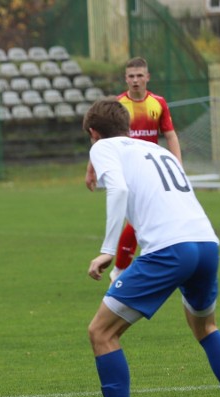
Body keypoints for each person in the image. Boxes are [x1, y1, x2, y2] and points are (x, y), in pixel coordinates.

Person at [79, 97, 220, 397]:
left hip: (169, 249)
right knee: (206, 327)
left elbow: (119, 189)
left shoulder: (103, 147)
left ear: (93, 133)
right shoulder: (155, 150)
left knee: (101, 332)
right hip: (206, 243)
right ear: (128, 127)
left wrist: (108, 249)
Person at [85, 57, 182, 282]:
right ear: (125, 79)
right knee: (139, 220)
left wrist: (177, 165)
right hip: (125, 170)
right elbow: (99, 139)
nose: (136, 80)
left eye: (140, 76)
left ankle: (123, 269)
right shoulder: (117, 106)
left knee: (143, 221)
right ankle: (121, 270)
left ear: (147, 77)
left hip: (150, 171)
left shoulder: (158, 103)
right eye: (131, 76)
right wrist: (91, 168)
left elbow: (170, 135)